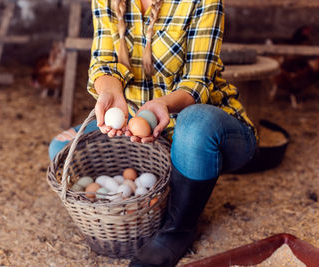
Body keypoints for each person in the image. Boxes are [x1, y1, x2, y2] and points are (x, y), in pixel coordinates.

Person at [48, 0, 258, 266]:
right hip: (138, 123)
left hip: (199, 122)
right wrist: (110, 92)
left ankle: (177, 230)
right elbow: (103, 64)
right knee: (59, 148)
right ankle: (155, 199)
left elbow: (198, 82)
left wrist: (163, 105)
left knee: (194, 124)